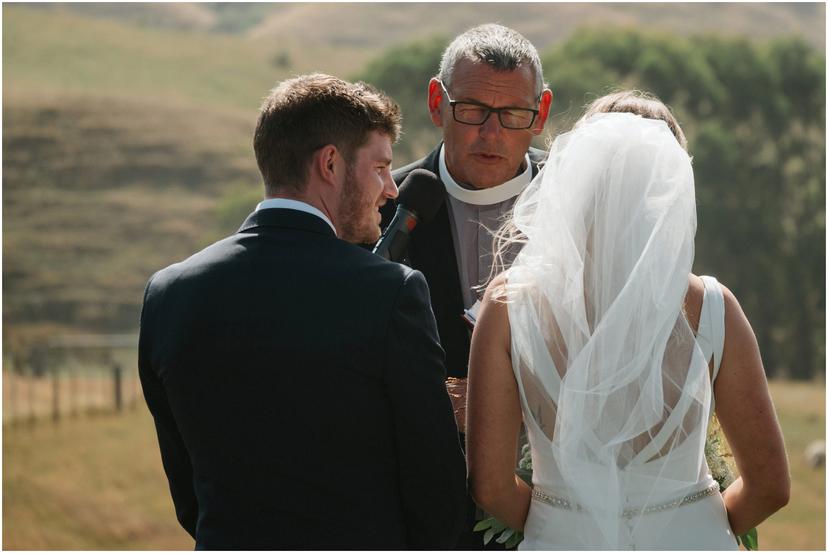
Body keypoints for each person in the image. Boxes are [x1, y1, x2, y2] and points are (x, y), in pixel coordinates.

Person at [138, 73, 467, 550]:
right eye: (379, 167)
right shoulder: (389, 292)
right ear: (330, 164)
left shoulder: (168, 292)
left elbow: (188, 494)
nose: (391, 190)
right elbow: (436, 491)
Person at [466, 92, 790, 549]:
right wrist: (694, 525)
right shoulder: (713, 307)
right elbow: (771, 486)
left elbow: (490, 486)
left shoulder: (507, 308)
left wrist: (563, 523)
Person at [377, 25, 552, 546]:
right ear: (437, 101)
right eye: (472, 109)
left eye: (513, 115)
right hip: (417, 510)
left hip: (556, 499)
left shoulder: (579, 202)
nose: (491, 134)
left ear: (540, 113)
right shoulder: (383, 208)